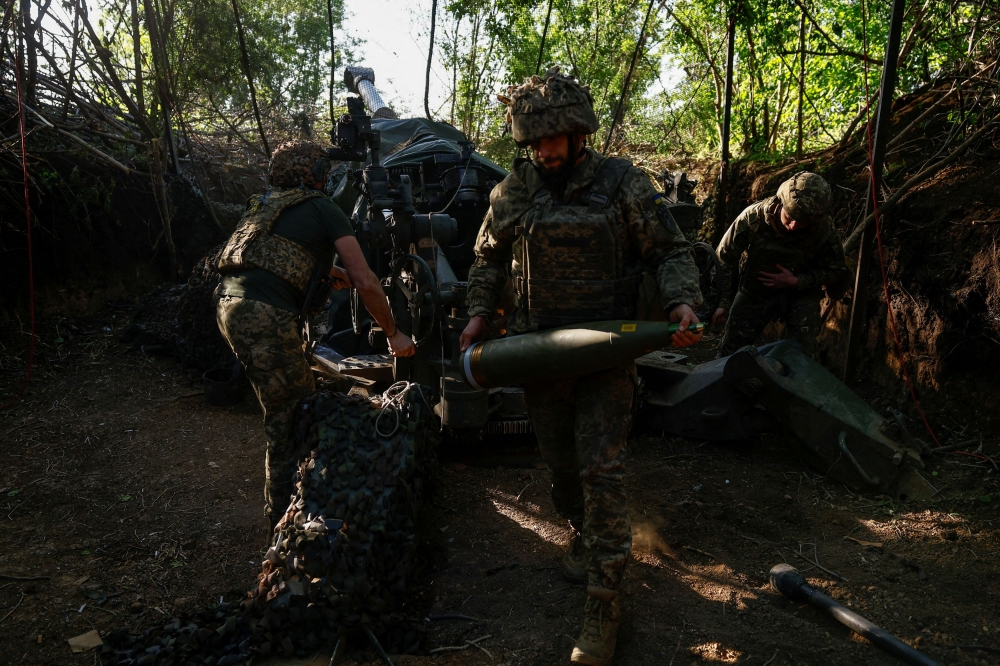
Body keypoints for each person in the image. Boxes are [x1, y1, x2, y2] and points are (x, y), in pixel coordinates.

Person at [459, 68, 703, 666]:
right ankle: (579, 529)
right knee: (560, 463)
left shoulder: (623, 184)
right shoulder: (513, 191)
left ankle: (604, 598)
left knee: (602, 468)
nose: (545, 150)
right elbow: (487, 261)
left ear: (579, 134)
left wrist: (680, 299)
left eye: (556, 139)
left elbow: (669, 249)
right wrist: (478, 315)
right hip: (540, 353)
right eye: (535, 141)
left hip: (606, 351)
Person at [215, 139, 415, 531]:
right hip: (264, 315)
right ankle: (285, 521)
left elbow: (275, 257)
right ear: (318, 174)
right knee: (291, 417)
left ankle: (291, 506)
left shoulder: (267, 203)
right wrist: (393, 333)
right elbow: (365, 278)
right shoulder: (322, 207)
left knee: (290, 399)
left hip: (227, 305)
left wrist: (330, 273)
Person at [711, 171, 849, 358]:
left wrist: (797, 281)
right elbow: (724, 259)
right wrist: (722, 303)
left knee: (802, 356)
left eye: (802, 223)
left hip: (801, 294)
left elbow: (836, 271)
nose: (793, 226)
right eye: (789, 217)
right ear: (780, 204)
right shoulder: (753, 218)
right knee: (730, 353)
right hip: (755, 291)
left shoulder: (824, 230)